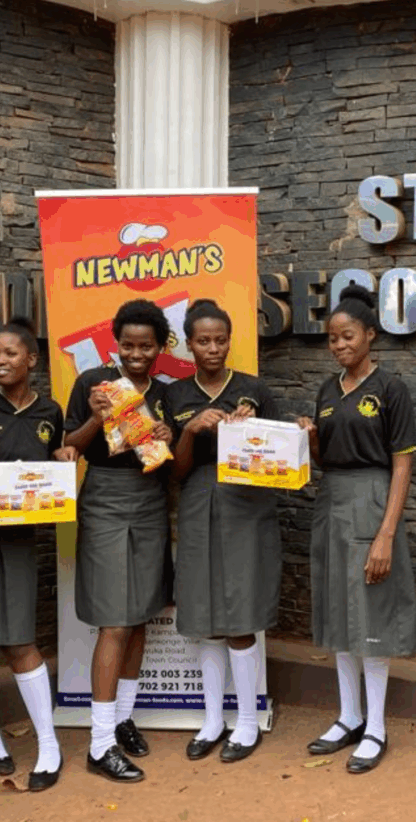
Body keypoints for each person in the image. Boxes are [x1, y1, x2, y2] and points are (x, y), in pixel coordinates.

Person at [0, 317, 76, 792]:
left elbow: (48, 470)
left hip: (20, 535)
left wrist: (64, 457)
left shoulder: (50, 411)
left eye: (8, 354)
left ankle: (48, 743)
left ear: (32, 359)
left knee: (21, 637)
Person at [297, 285, 416, 773]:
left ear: (370, 335)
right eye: (332, 339)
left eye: (348, 336)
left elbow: (403, 465)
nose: (339, 345)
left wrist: (387, 533)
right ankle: (348, 716)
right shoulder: (328, 390)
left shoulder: (391, 389)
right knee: (339, 615)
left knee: (371, 613)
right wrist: (310, 438)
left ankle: (376, 727)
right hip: (332, 503)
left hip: (372, 502)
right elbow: (327, 458)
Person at [63, 298, 173, 783]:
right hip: (105, 499)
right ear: (116, 345)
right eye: (127, 344)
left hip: (150, 500)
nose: (135, 353)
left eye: (145, 345)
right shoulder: (93, 384)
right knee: (113, 620)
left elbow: (168, 457)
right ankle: (99, 743)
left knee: (141, 611)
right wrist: (95, 417)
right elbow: (69, 448)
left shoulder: (168, 392)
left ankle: (122, 716)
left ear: (160, 347)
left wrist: (170, 435)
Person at [168, 298, 282, 763]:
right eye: (203, 341)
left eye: (220, 340)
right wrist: (192, 430)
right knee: (205, 617)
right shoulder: (174, 395)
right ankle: (212, 719)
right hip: (197, 504)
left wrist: (252, 435)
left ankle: (248, 722)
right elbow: (173, 471)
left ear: (230, 341)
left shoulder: (254, 389)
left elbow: (279, 461)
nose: (213, 348)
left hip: (246, 506)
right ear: (189, 344)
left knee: (240, 614)